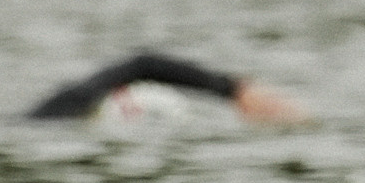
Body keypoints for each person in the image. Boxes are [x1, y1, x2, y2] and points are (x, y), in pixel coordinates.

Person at [28, 52, 304, 123]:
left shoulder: (73, 102)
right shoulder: (66, 108)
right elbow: (142, 64)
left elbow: (142, 64)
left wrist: (233, 90)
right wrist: (233, 90)